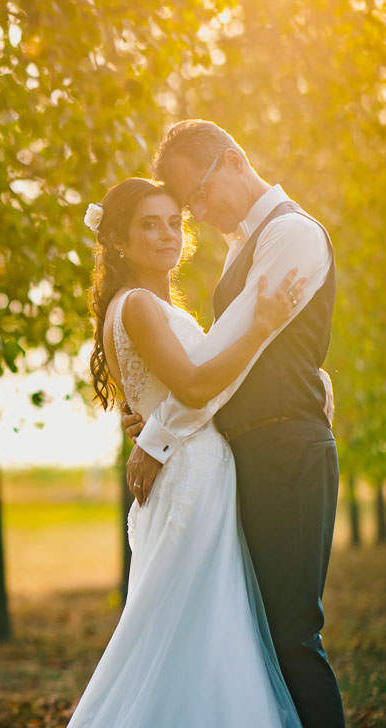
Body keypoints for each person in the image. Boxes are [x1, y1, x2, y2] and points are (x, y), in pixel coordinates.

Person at [123, 119, 344, 727]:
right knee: (264, 635)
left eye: (195, 196)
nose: (196, 213)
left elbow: (228, 359)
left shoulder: (290, 235)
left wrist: (158, 436)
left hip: (287, 453)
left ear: (232, 160)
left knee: (294, 634)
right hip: (255, 453)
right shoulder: (243, 244)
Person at [67, 176, 305, 727]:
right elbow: (198, 388)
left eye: (174, 222)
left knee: (194, 625)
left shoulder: (144, 306)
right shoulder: (141, 307)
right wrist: (262, 328)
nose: (167, 234)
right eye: (149, 224)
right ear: (120, 242)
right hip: (188, 478)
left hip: (192, 473)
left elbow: (182, 392)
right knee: (194, 626)